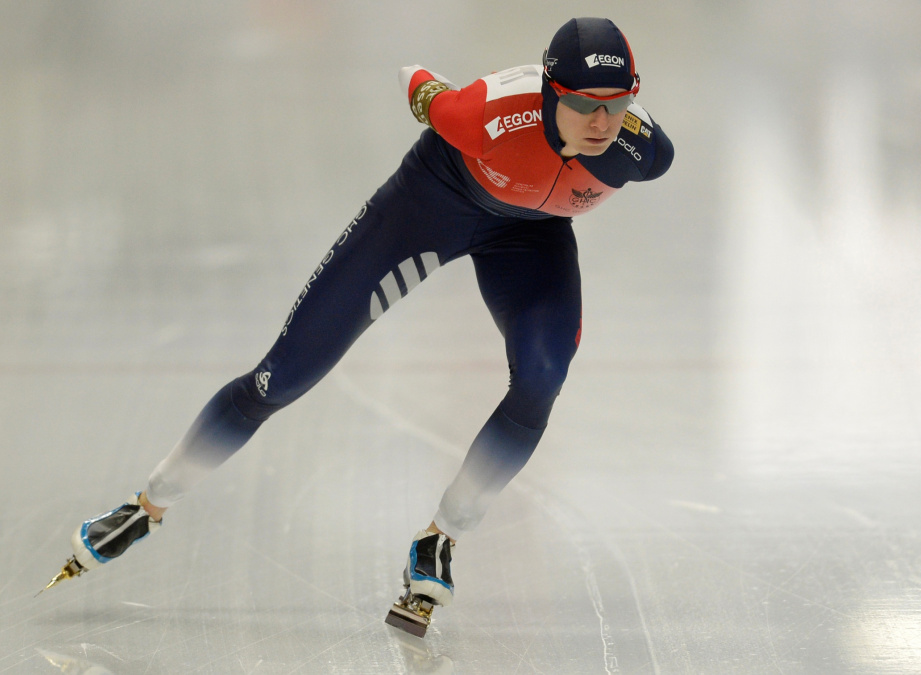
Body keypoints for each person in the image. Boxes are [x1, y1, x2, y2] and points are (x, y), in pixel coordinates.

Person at [44, 16, 673, 635]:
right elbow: (415, 78)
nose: (601, 123)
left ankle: (440, 539)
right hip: (434, 203)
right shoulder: (484, 114)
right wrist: (429, 92)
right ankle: (146, 505)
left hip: (531, 236)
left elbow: (635, 139)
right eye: (585, 105)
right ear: (549, 91)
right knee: (279, 378)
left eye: (617, 105)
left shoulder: (640, 149)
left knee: (542, 377)